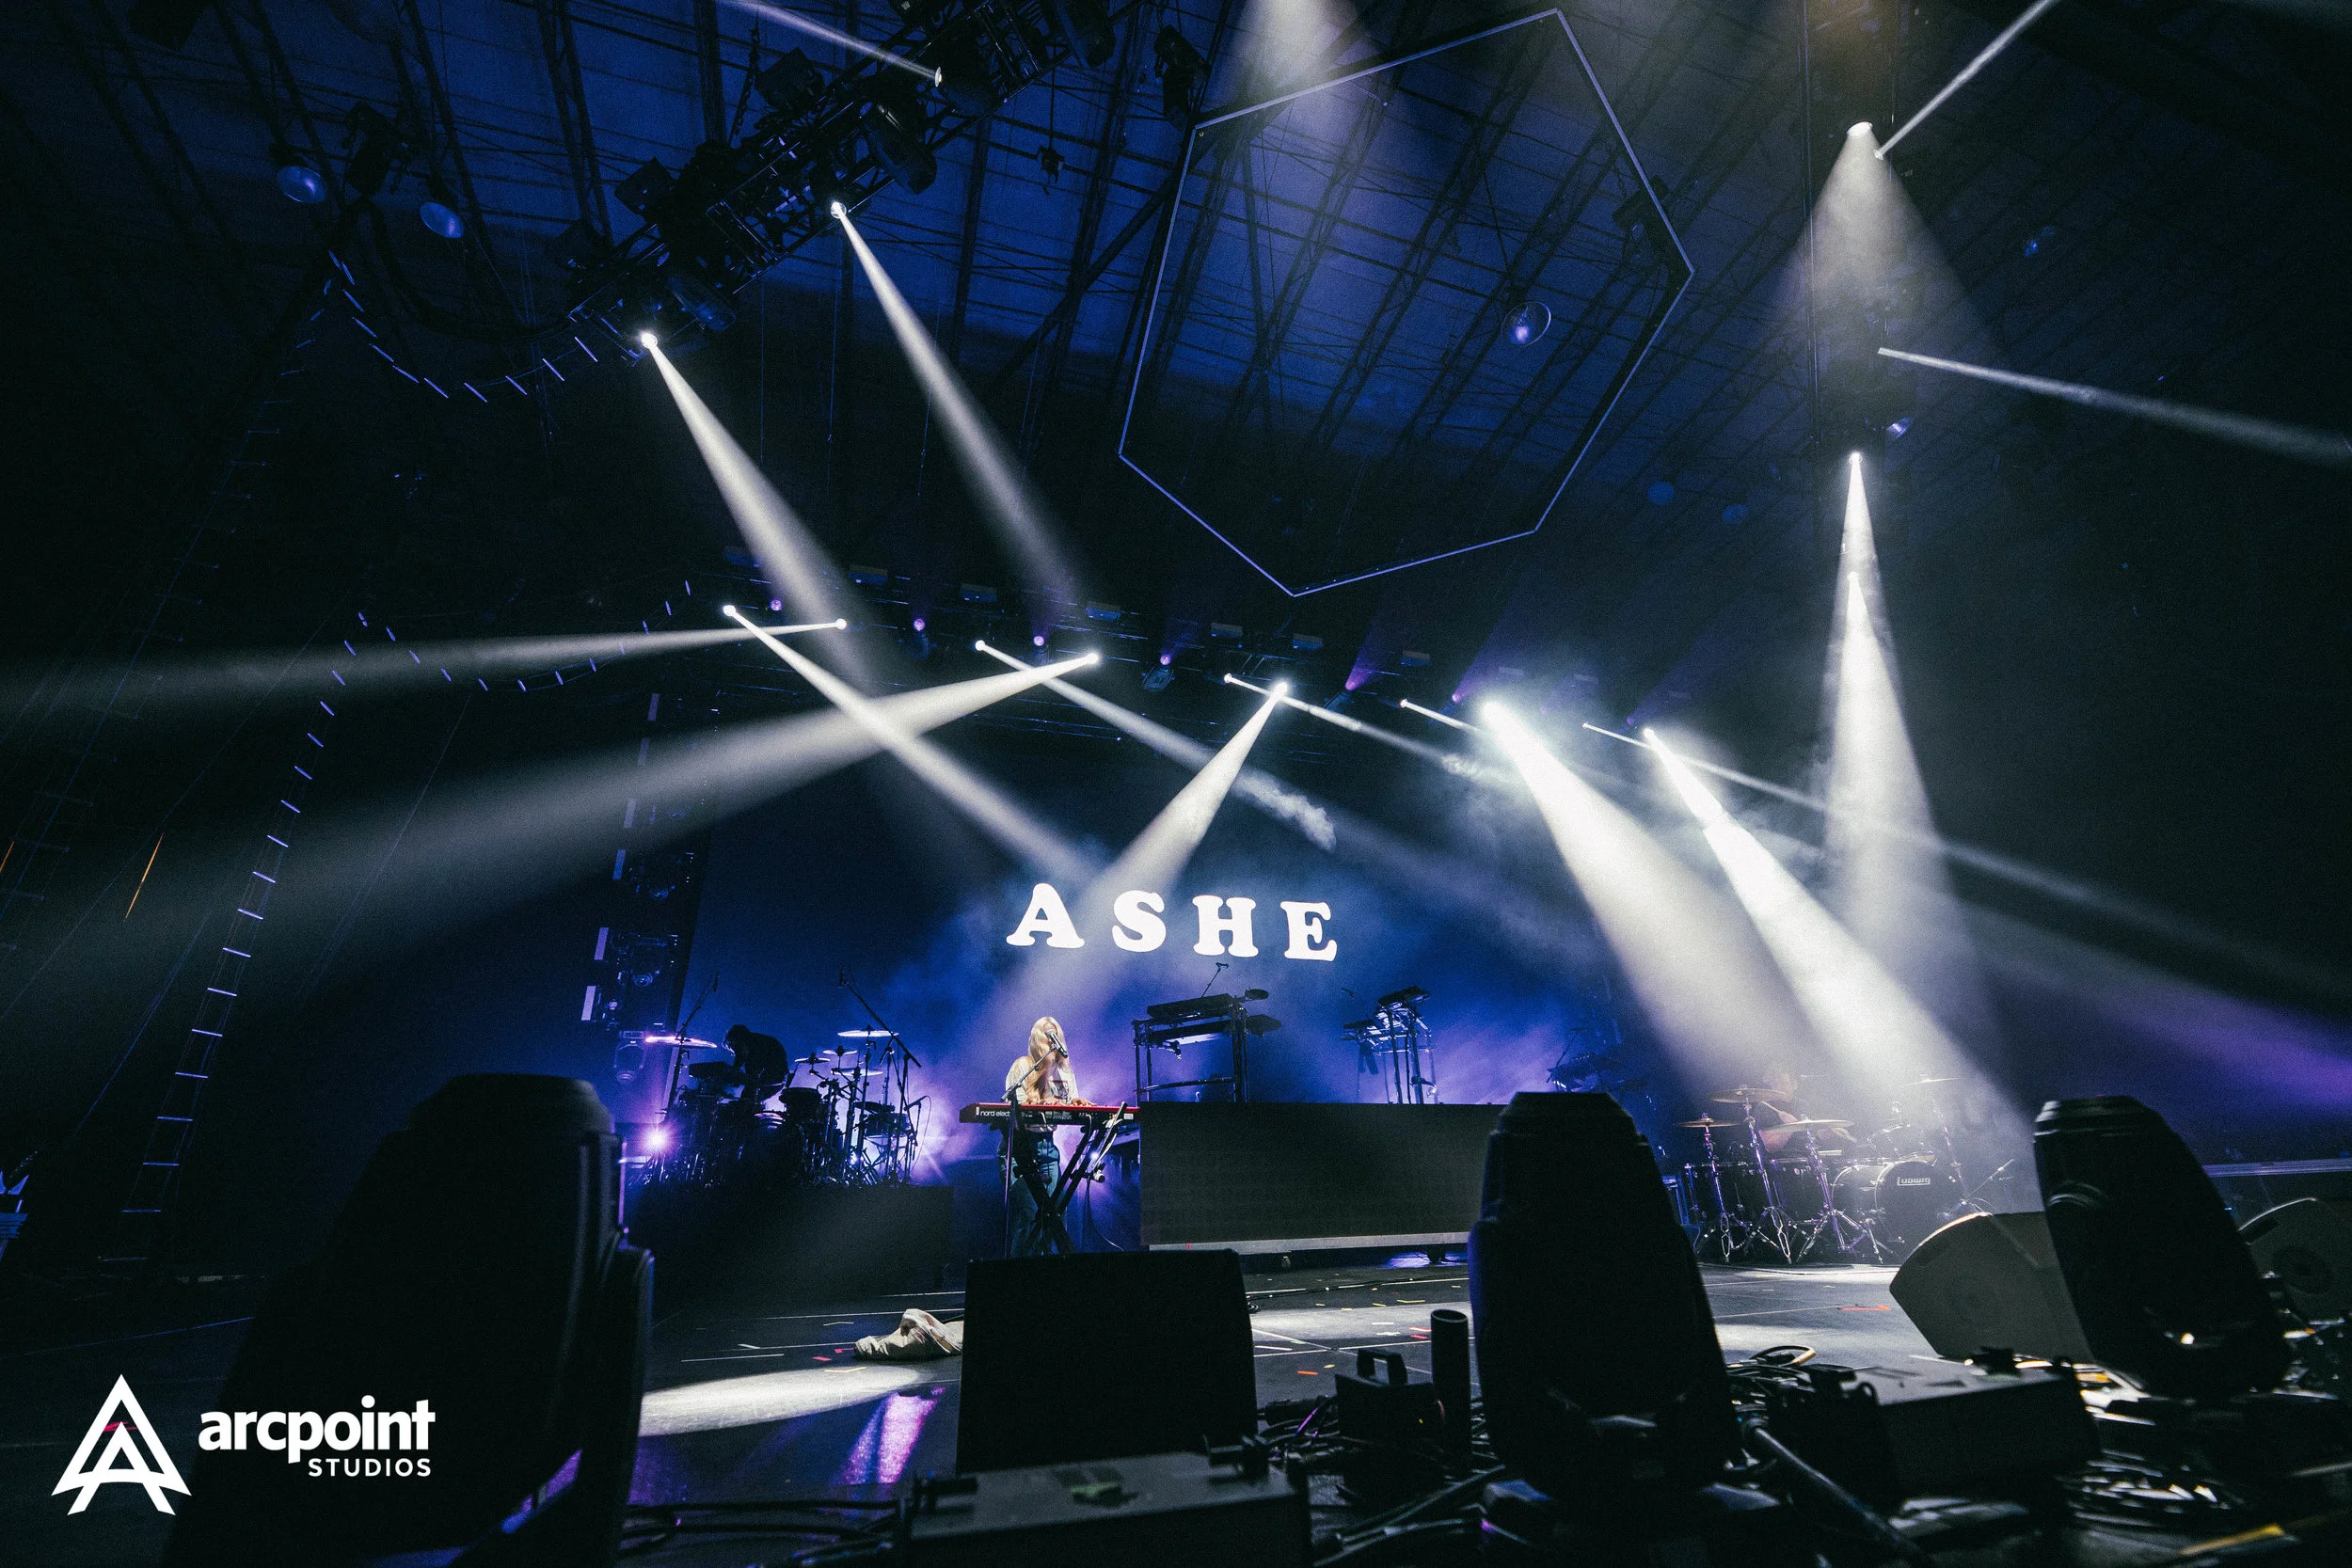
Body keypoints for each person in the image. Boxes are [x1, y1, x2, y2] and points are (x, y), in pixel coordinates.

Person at [1003, 1017, 1077, 1258]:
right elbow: (1015, 1104)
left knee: (1055, 1217)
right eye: (1047, 1035)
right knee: (1027, 1218)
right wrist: (1039, 1103)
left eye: (1055, 1035)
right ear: (1037, 1039)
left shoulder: (1064, 1072)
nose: (1051, 1040)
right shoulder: (1023, 1066)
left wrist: (1076, 1102)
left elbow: (1072, 1101)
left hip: (1048, 1150)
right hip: (1020, 1148)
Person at [723, 1023, 790, 1107]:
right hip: (774, 1079)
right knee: (747, 1099)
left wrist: (734, 1078)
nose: (735, 1052)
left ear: (736, 1042)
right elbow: (739, 1061)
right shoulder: (749, 1042)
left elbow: (753, 1078)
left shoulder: (758, 1047)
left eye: (734, 1048)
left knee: (747, 1100)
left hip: (774, 1079)